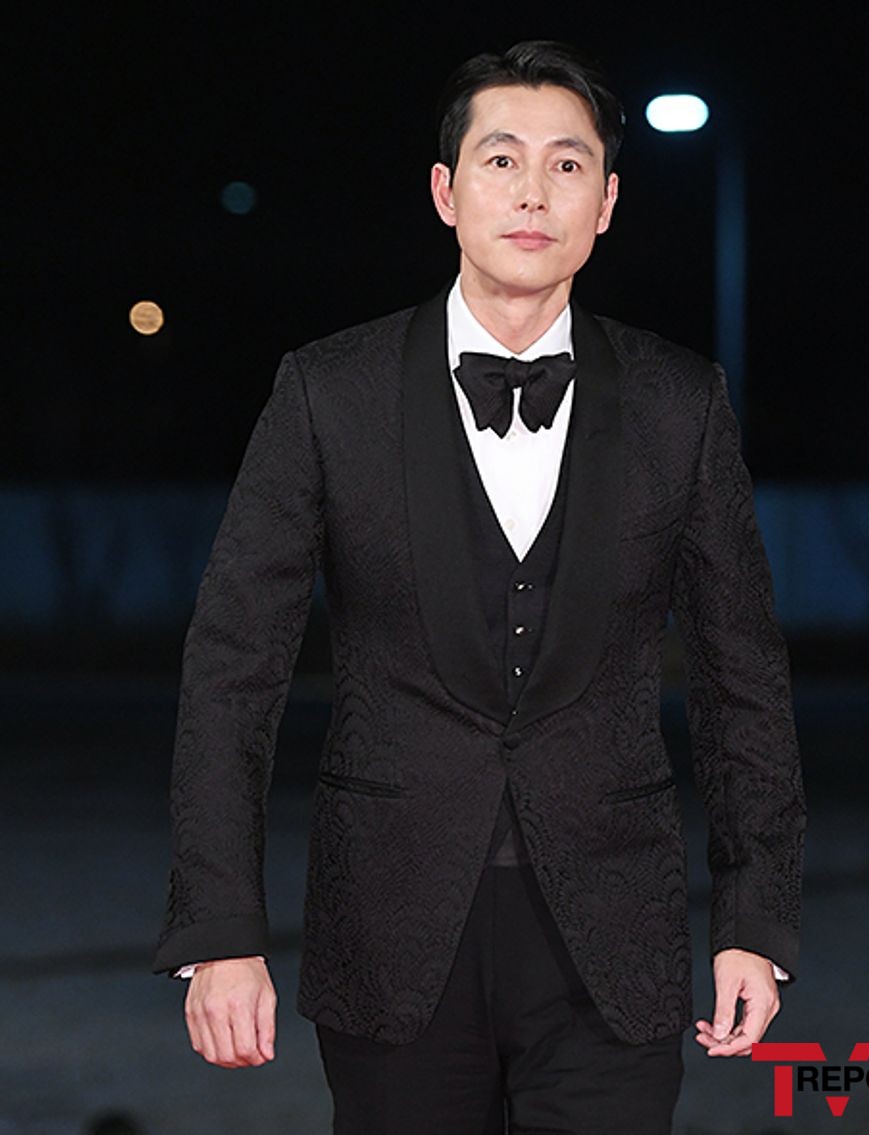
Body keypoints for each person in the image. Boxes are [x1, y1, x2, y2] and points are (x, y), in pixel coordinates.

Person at [153, 40, 806, 1134]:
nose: (532, 192)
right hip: (387, 928)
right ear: (446, 192)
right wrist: (219, 927)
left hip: (613, 936)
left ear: (604, 202)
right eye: (501, 160)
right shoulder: (328, 391)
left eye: (565, 165)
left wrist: (756, 918)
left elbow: (745, 677)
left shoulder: (677, 401)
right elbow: (232, 669)